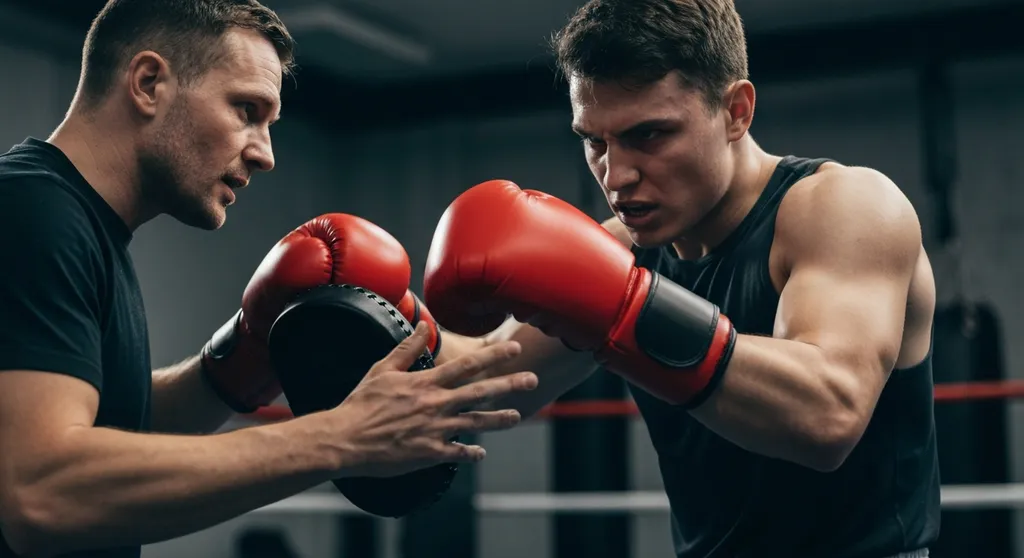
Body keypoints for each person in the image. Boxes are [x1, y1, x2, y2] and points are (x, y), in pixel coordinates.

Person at [0, 1, 537, 557]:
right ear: (149, 82)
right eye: (246, 110)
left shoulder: (77, 224)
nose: (266, 154)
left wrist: (246, 351)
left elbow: (119, 427)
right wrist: (342, 436)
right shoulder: (34, 213)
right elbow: (42, 493)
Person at [422, 0, 941, 556]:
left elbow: (827, 414)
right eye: (595, 142)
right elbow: (485, 376)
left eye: (649, 135)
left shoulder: (845, 208)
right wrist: (365, 305)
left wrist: (620, 310)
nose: (616, 177)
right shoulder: (619, 253)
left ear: (736, 111)